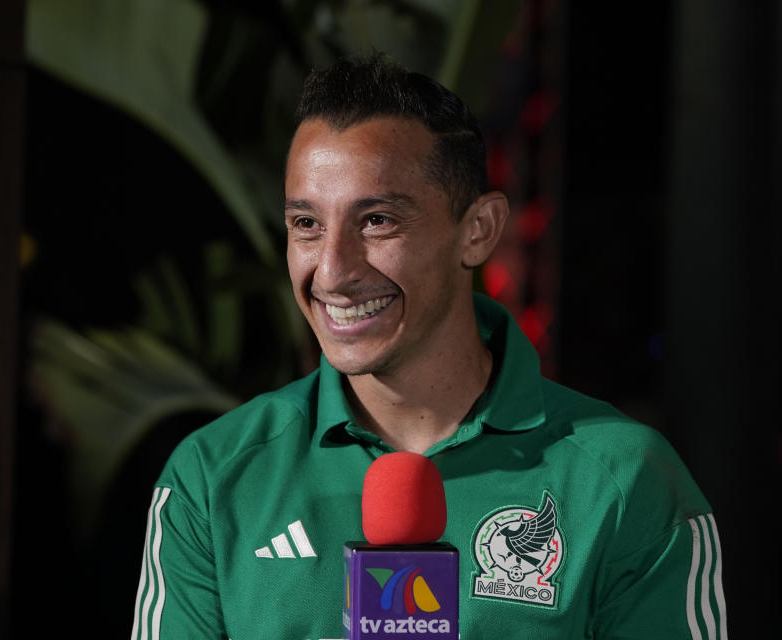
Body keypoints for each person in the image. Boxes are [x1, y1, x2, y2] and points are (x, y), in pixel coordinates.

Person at [129, 54, 726, 640]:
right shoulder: (213, 477)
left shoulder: (626, 480)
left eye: (377, 221)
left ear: (478, 231)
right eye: (306, 224)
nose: (332, 271)